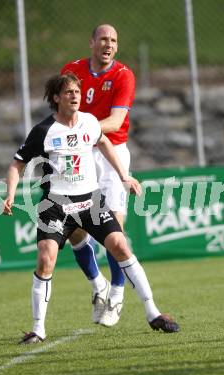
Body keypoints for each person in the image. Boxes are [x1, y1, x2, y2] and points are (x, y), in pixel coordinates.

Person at [3, 73, 180, 344]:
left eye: (77, 91)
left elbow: (104, 142)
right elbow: (17, 163)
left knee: (120, 245)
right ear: (56, 98)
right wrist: (10, 195)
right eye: (69, 92)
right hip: (55, 205)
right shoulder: (43, 131)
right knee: (46, 258)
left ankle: (153, 312)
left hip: (90, 202)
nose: (75, 96)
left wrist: (124, 175)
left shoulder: (89, 122)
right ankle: (38, 329)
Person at [60, 24, 135, 327]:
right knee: (75, 229)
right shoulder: (72, 70)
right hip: (76, 153)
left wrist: (81, 129)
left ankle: (116, 293)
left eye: (114, 40)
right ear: (91, 42)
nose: (108, 44)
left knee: (113, 231)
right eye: (103, 39)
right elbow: (60, 108)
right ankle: (98, 285)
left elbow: (116, 122)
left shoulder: (123, 75)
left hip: (112, 152)